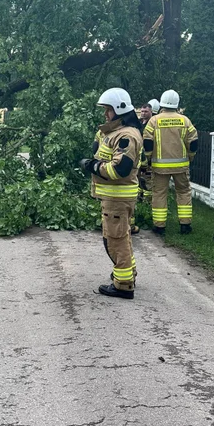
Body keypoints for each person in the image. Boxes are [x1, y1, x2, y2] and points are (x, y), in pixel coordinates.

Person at [80, 88, 142, 299]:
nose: (105, 114)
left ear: (120, 110)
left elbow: (119, 169)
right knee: (121, 237)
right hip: (114, 197)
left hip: (118, 196)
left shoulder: (127, 136)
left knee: (115, 240)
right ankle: (127, 273)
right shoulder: (115, 132)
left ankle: (123, 284)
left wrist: (93, 166)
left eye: (108, 110)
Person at [142, 89, 198, 235]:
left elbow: (147, 142)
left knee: (159, 194)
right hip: (181, 165)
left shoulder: (154, 120)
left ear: (162, 103)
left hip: (159, 166)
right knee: (184, 192)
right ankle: (185, 225)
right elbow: (193, 142)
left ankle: (159, 227)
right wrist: (190, 157)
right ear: (177, 104)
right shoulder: (185, 120)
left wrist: (148, 159)